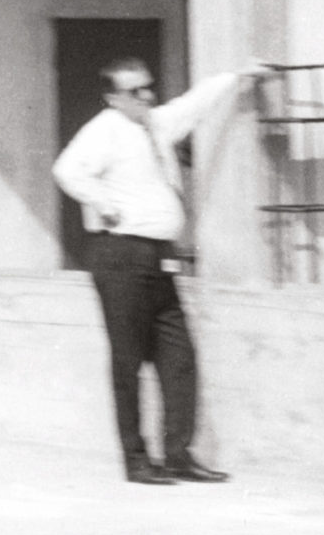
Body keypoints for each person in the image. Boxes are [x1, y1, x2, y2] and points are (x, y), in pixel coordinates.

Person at [53, 56, 267, 485]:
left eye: (149, 87)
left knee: (178, 355)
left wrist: (238, 75)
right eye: (135, 91)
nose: (147, 96)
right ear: (114, 98)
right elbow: (66, 171)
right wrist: (105, 205)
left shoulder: (155, 124)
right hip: (120, 256)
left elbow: (194, 103)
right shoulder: (104, 130)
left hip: (159, 258)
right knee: (128, 360)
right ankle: (136, 459)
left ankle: (177, 454)